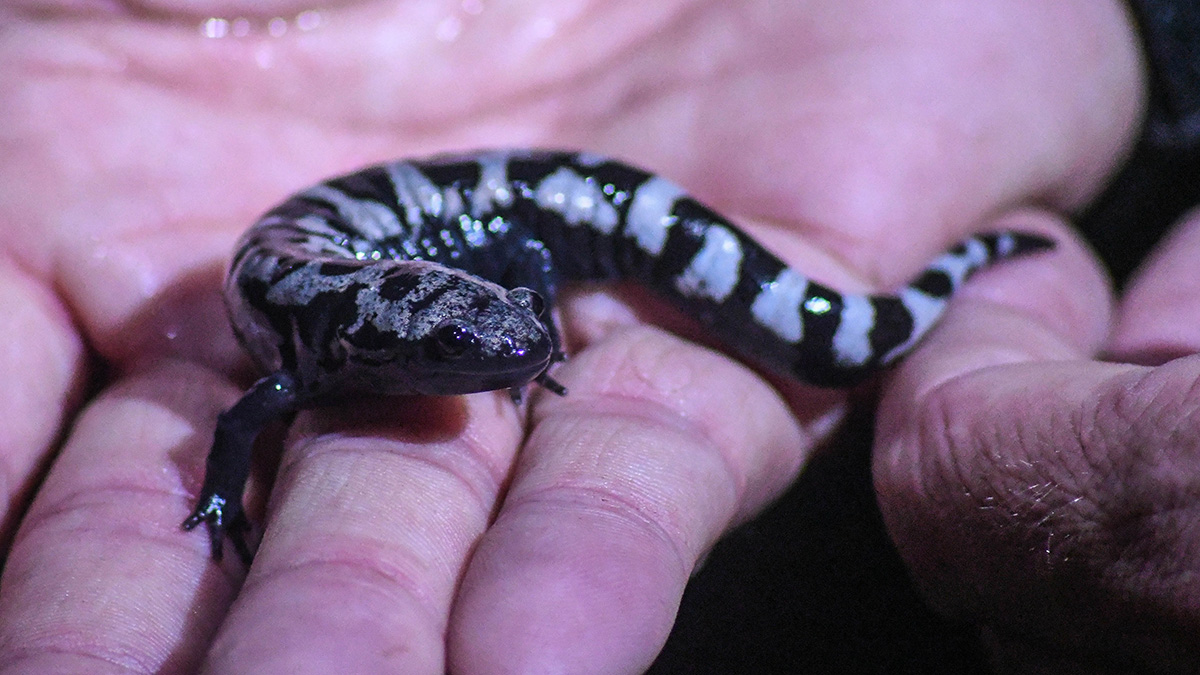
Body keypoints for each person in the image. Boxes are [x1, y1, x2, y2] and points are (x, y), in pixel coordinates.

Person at [0, 1, 1193, 672]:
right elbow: (249, 411)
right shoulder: (313, 350)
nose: (509, 359)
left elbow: (502, 282)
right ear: (378, 351)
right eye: (476, 354)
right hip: (467, 215)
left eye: (517, 344)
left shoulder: (430, 308)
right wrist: (216, 498)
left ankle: (943, 273)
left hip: (551, 201)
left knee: (831, 337)